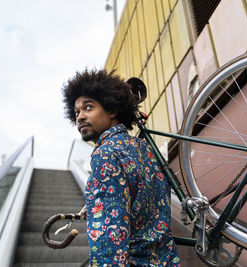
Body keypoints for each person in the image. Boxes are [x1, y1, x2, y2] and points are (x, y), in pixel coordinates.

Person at [62, 69, 180, 266]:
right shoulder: (143, 147)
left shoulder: (105, 155)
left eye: (88, 107)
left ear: (111, 110)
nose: (80, 117)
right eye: (77, 112)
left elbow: (110, 236)